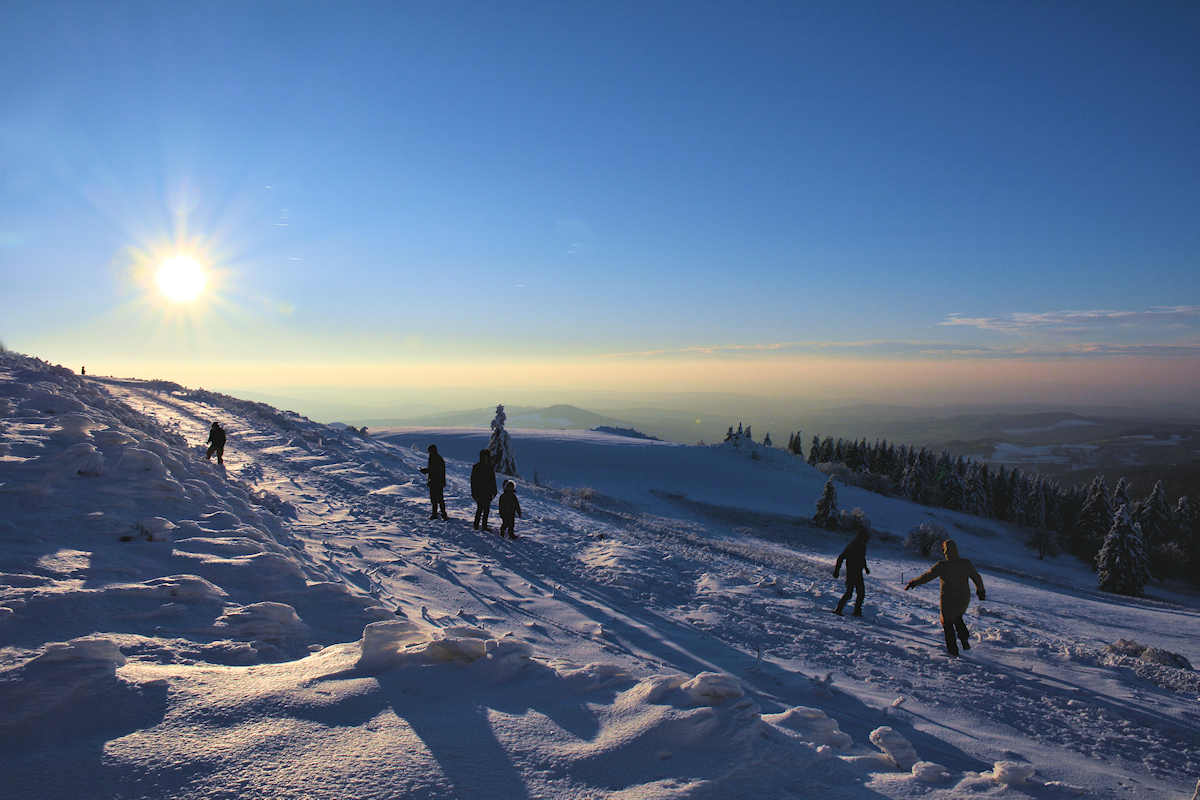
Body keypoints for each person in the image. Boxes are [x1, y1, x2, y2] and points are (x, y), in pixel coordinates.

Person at [904, 539, 986, 656]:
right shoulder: (966, 563)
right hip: (963, 599)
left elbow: (927, 576)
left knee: (948, 624)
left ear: (945, 551)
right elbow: (977, 578)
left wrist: (913, 583)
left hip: (948, 600)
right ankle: (964, 638)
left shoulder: (942, 565)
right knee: (957, 616)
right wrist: (981, 592)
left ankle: (953, 652)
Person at [833, 529, 870, 616]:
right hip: (851, 573)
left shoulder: (862, 546)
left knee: (861, 593)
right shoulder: (852, 546)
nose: (866, 541)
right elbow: (841, 557)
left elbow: (862, 558)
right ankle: (838, 609)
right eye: (865, 539)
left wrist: (865, 568)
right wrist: (836, 571)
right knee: (849, 593)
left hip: (859, 573)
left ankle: (857, 611)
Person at [419, 444, 449, 520]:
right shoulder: (437, 458)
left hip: (436, 482)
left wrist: (426, 471)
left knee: (437, 498)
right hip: (437, 482)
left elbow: (434, 470)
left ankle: (440, 514)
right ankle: (438, 513)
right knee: (436, 499)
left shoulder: (435, 459)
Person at [471, 449, 497, 531]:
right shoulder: (477, 467)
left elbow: (493, 480)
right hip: (479, 492)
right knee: (480, 509)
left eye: (487, 456)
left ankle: (484, 526)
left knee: (486, 510)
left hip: (488, 492)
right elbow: (473, 481)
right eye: (484, 456)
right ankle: (476, 525)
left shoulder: (490, 467)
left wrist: (494, 490)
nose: (486, 458)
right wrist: (474, 492)